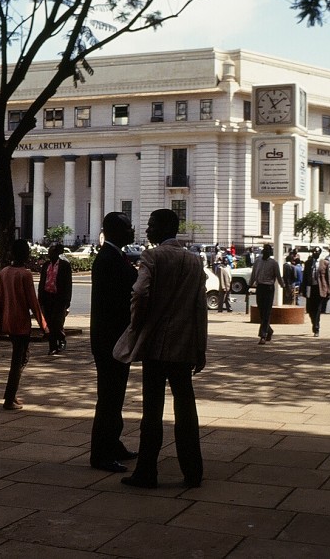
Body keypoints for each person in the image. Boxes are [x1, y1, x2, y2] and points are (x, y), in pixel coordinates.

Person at [113, 209, 206, 489]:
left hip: (155, 343)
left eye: (151, 224)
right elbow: (200, 308)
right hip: (184, 344)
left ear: (163, 228)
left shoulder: (152, 256)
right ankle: (192, 471)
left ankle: (147, 471)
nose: (147, 229)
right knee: (186, 407)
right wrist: (200, 346)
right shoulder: (194, 260)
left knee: (152, 410)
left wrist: (137, 322)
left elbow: (140, 293)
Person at [90, 212, 139, 473]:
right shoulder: (108, 259)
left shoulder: (114, 256)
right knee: (108, 398)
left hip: (114, 338)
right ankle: (101, 453)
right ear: (115, 231)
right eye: (128, 228)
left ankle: (113, 442)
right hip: (110, 339)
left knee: (115, 396)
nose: (132, 232)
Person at [0, 239, 48, 410]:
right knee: (19, 359)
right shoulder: (25, 274)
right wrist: (44, 326)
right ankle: (9, 396)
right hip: (21, 323)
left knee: (19, 357)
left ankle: (11, 394)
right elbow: (33, 303)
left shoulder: (5, 272)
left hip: (8, 321)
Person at [38, 243, 73, 355]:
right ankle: (52, 346)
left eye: (52, 251)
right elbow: (42, 281)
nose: (49, 254)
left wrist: (67, 300)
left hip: (59, 297)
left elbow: (68, 284)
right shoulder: (46, 265)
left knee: (57, 321)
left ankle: (61, 339)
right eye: (49, 251)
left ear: (57, 253)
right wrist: (40, 298)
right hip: (47, 297)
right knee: (49, 322)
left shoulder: (64, 265)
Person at [249, 244, 285, 344]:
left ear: (270, 252)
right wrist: (249, 285)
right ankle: (269, 330)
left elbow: (278, 276)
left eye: (268, 250)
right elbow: (253, 274)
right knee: (261, 311)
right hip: (260, 287)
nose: (266, 252)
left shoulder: (274, 263)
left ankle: (262, 335)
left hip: (269, 288)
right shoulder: (257, 262)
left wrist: (283, 286)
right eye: (264, 250)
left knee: (266, 312)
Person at [300, 247, 330, 337]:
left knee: (317, 309)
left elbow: (327, 278)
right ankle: (314, 322)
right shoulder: (308, 263)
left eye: (317, 252)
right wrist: (303, 289)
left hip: (320, 288)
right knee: (310, 309)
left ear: (320, 253)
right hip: (310, 288)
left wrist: (329, 290)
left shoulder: (325, 263)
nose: (315, 253)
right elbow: (305, 277)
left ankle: (316, 328)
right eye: (314, 252)